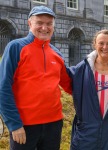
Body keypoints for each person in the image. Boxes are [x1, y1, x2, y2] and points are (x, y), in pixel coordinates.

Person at [0, 5, 72, 150]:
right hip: (24, 126)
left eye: (49, 24)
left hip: (54, 124)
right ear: (29, 23)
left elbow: (70, 84)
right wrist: (14, 124)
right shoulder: (16, 47)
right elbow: (3, 87)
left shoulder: (56, 53)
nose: (44, 28)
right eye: (39, 23)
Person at [68, 29, 108, 150]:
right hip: (87, 133)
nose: (105, 47)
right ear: (94, 44)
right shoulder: (83, 68)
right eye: (101, 43)